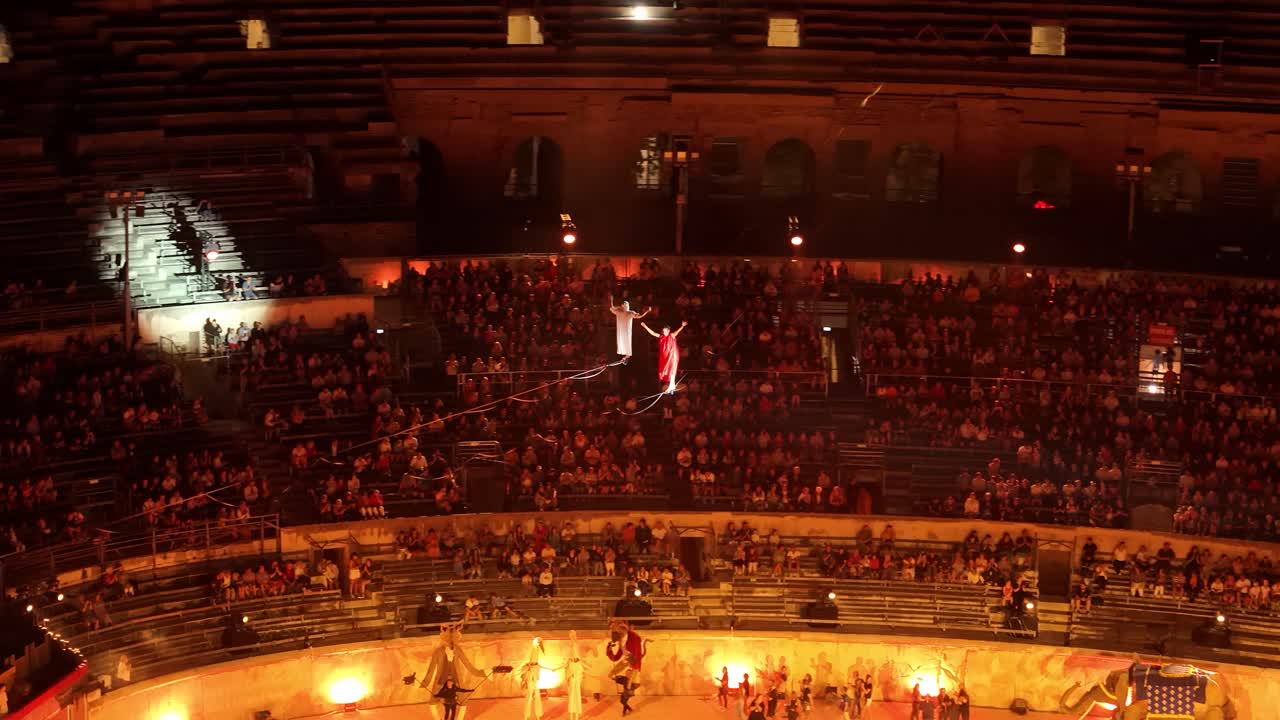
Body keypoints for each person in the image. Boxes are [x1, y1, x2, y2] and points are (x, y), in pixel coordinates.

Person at [640, 320, 688, 394]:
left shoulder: (671, 335)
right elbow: (652, 333)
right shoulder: (661, 337)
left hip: (672, 354)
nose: (665, 331)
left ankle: (672, 385)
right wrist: (645, 326)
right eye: (664, 330)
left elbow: (677, 332)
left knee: (672, 368)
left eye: (666, 330)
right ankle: (671, 385)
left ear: (668, 331)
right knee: (666, 370)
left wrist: (682, 326)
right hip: (665, 356)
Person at [608, 296, 649, 362]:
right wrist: (614, 303)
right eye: (623, 305)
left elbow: (639, 316)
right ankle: (626, 357)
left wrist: (646, 311)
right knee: (622, 342)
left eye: (626, 305)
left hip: (626, 331)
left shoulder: (630, 313)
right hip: (621, 331)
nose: (625, 306)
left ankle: (627, 356)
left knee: (626, 342)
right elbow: (611, 308)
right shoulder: (619, 312)